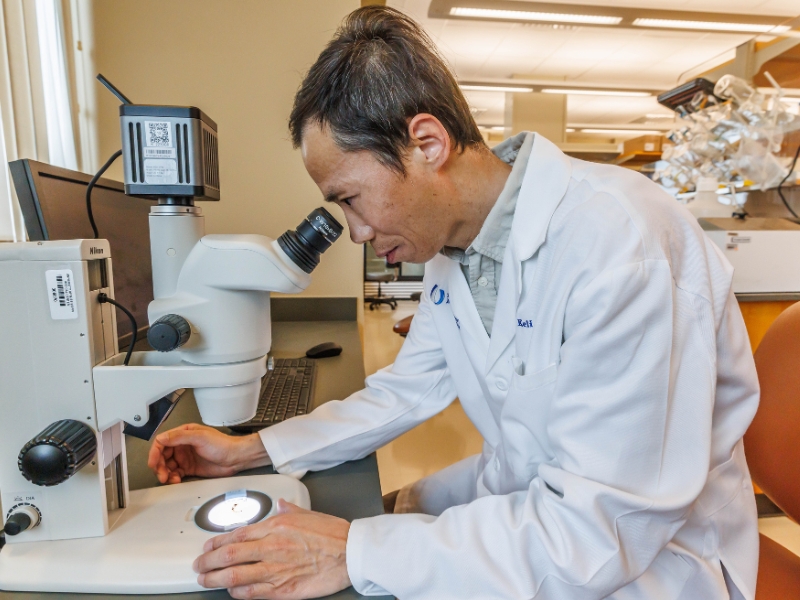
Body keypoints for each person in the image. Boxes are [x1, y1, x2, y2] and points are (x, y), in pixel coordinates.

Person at [148, 6, 760, 600]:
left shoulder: (623, 244)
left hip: (649, 562)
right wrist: (252, 450)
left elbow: (597, 534)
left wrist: (353, 552)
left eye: (351, 198)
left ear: (427, 142)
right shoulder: (455, 250)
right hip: (529, 508)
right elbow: (406, 390)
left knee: (353, 552)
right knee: (369, 520)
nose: (355, 232)